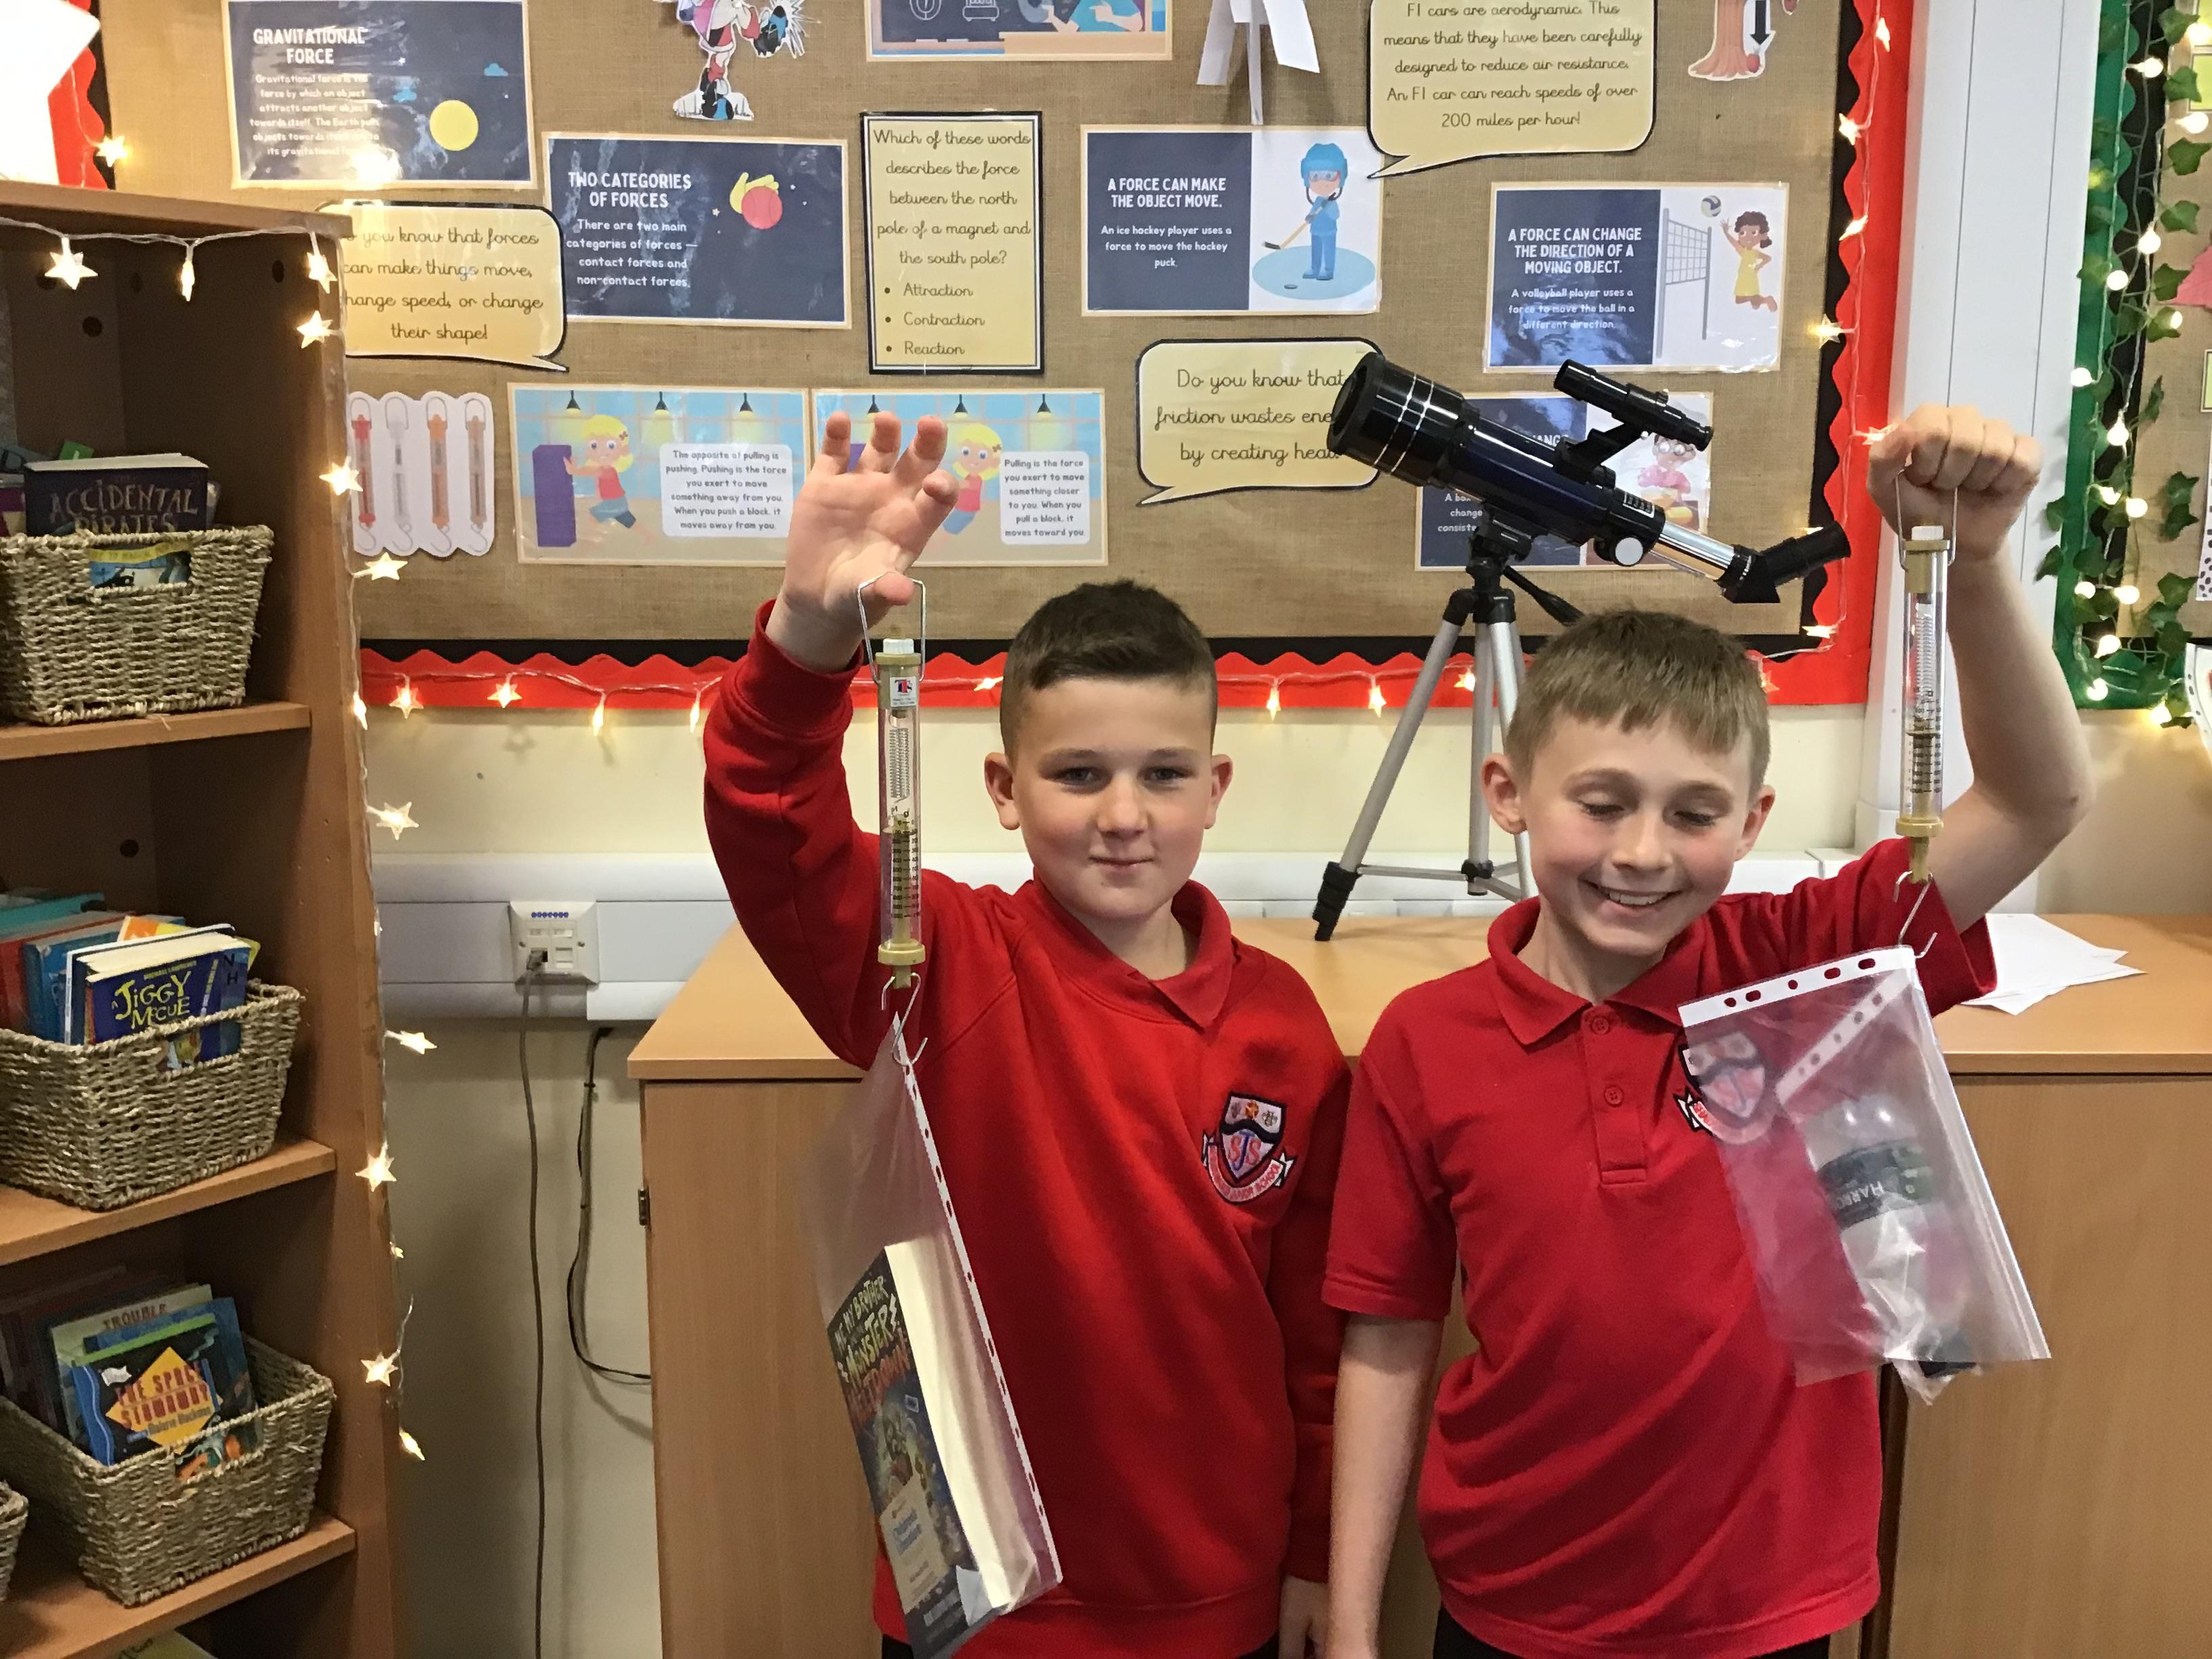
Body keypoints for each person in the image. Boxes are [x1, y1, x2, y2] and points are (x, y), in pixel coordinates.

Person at [1324, 405, 2092, 1659]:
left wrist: (1974, 562)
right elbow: (1387, 1338)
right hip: (1515, 1602)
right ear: (1507, 793)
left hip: (1766, 1604)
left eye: (1692, 813)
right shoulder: (1425, 1041)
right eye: (1600, 802)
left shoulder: (1804, 966)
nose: (1640, 852)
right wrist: (1355, 1629)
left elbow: (2033, 798)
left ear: (1751, 822)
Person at [704, 409, 1347, 1659]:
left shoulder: (1282, 1025)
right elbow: (772, 821)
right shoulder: (935, 960)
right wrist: (809, 643)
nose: (1123, 815)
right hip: (984, 1602)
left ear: (1215, 788)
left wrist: (1315, 1550)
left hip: (1214, 1600)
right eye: (1078, 774)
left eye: (1164, 774)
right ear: (1004, 790)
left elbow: (1317, 1344)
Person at [1298, 142, 1348, 284]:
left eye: (1329, 176)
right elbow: (1313, 213)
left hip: (1329, 232)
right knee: (1316, 250)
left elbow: (1336, 216)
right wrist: (1310, 217)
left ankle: (1328, 271)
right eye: (1315, 176)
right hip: (1316, 231)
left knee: (1328, 251)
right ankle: (1315, 269)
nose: (1322, 183)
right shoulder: (1318, 200)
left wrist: (1327, 207)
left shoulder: (1332, 202)